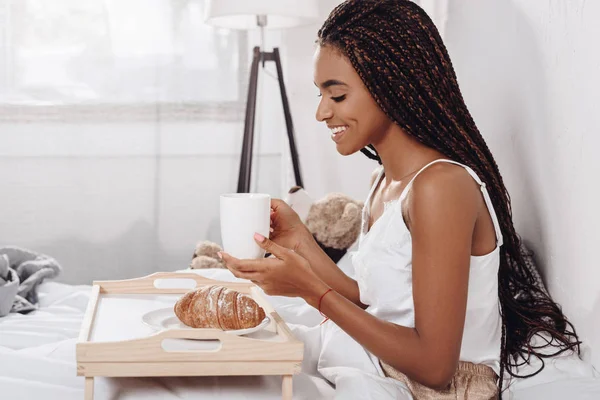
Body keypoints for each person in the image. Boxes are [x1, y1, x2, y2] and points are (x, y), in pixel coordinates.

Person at [218, 1, 580, 398]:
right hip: (382, 360)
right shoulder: (385, 181)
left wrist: (312, 292)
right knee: (235, 357)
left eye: (337, 96)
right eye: (321, 94)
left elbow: (436, 367)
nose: (322, 112)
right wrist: (300, 240)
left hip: (434, 387)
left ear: (392, 85)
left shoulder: (441, 187)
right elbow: (377, 302)